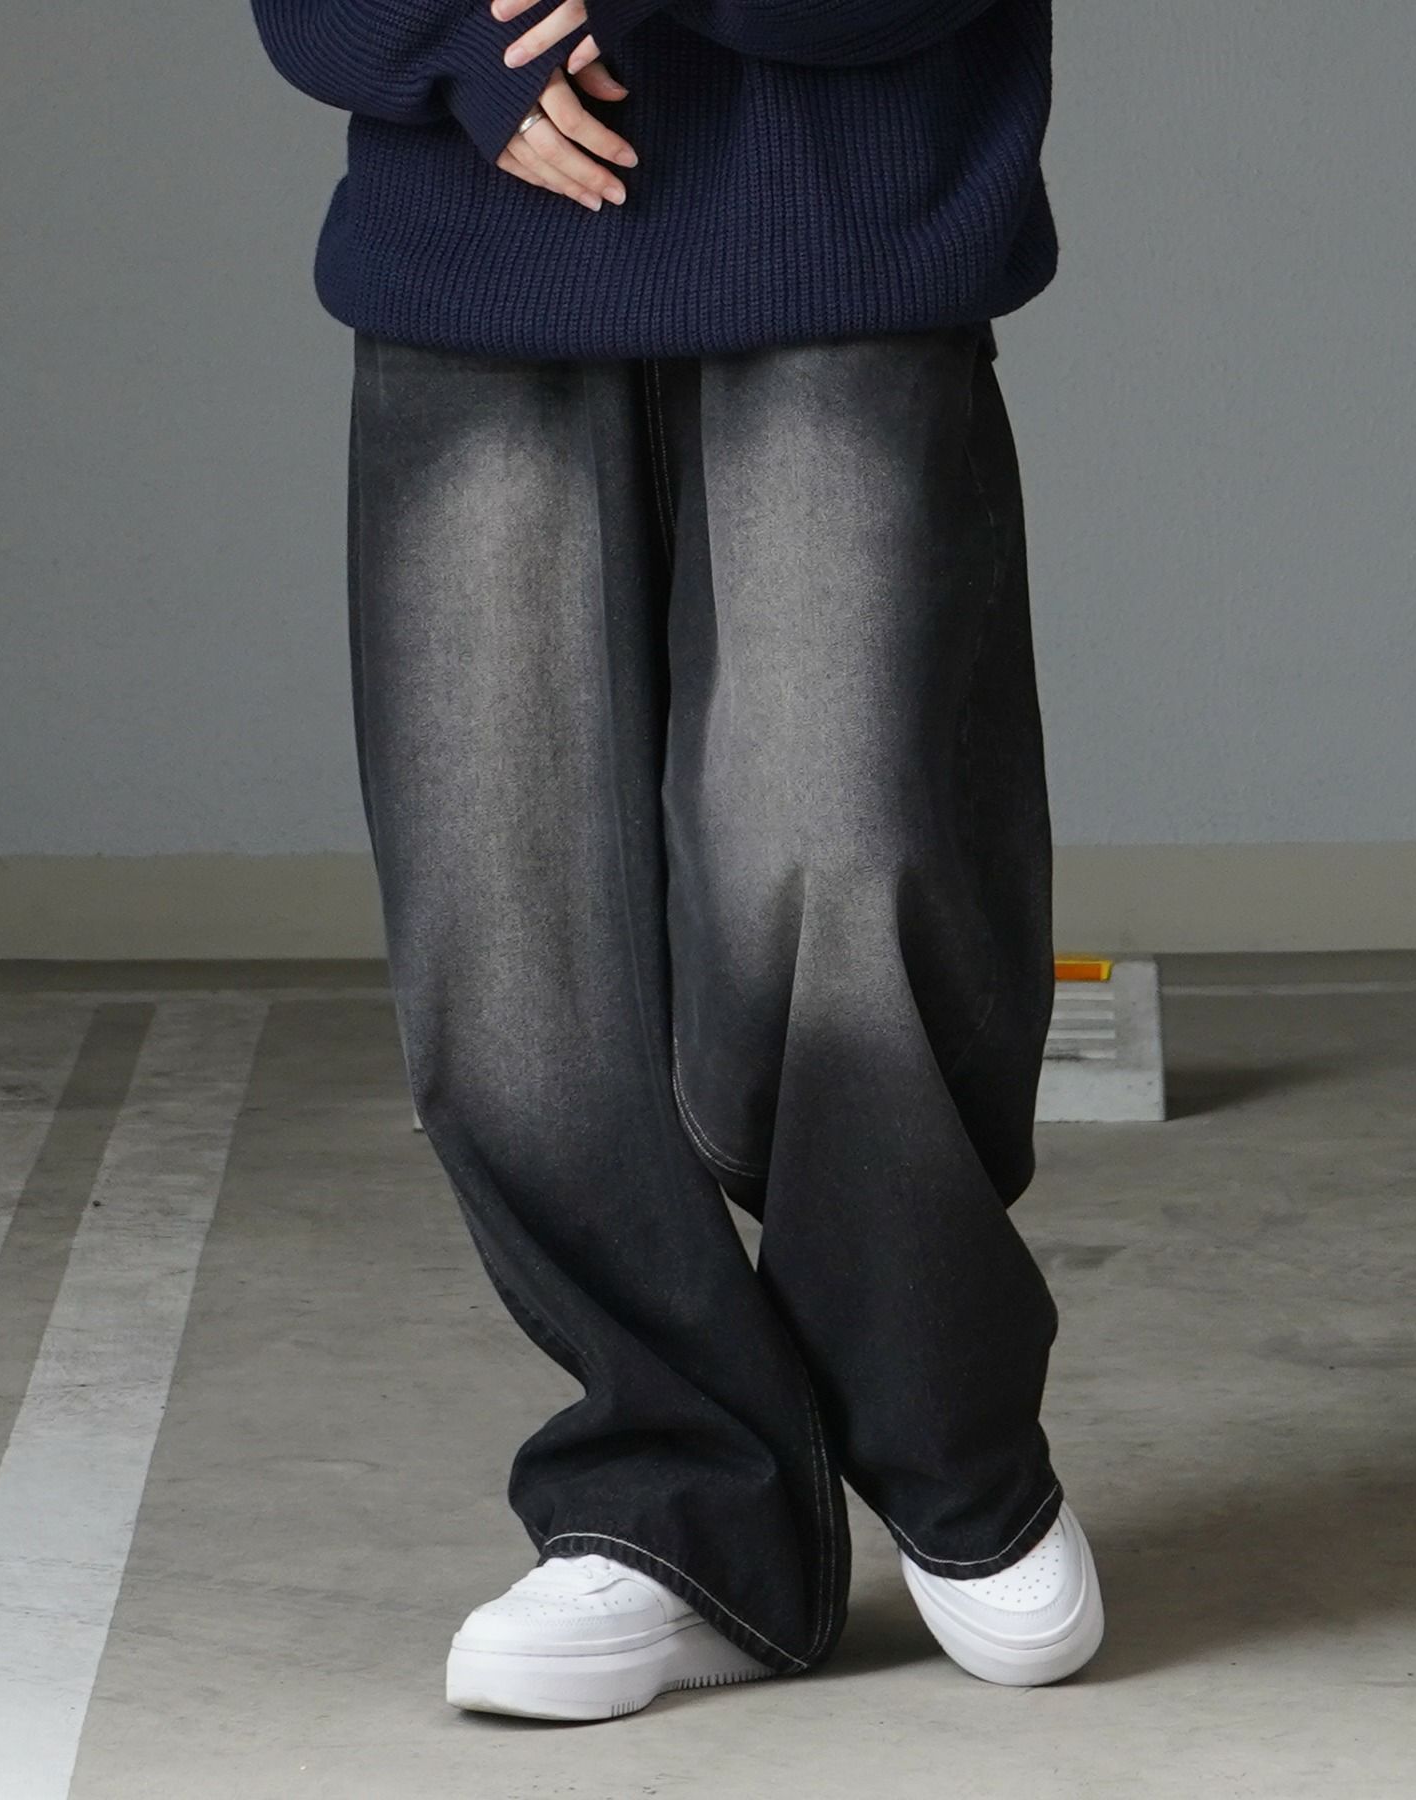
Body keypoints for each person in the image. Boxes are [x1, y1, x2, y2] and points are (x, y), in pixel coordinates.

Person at [251, 0, 1104, 1723]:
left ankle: (947, 1435)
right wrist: (446, 35)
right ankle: (678, 1509)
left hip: (835, 216)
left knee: (844, 870)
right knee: (506, 954)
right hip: (479, 234)